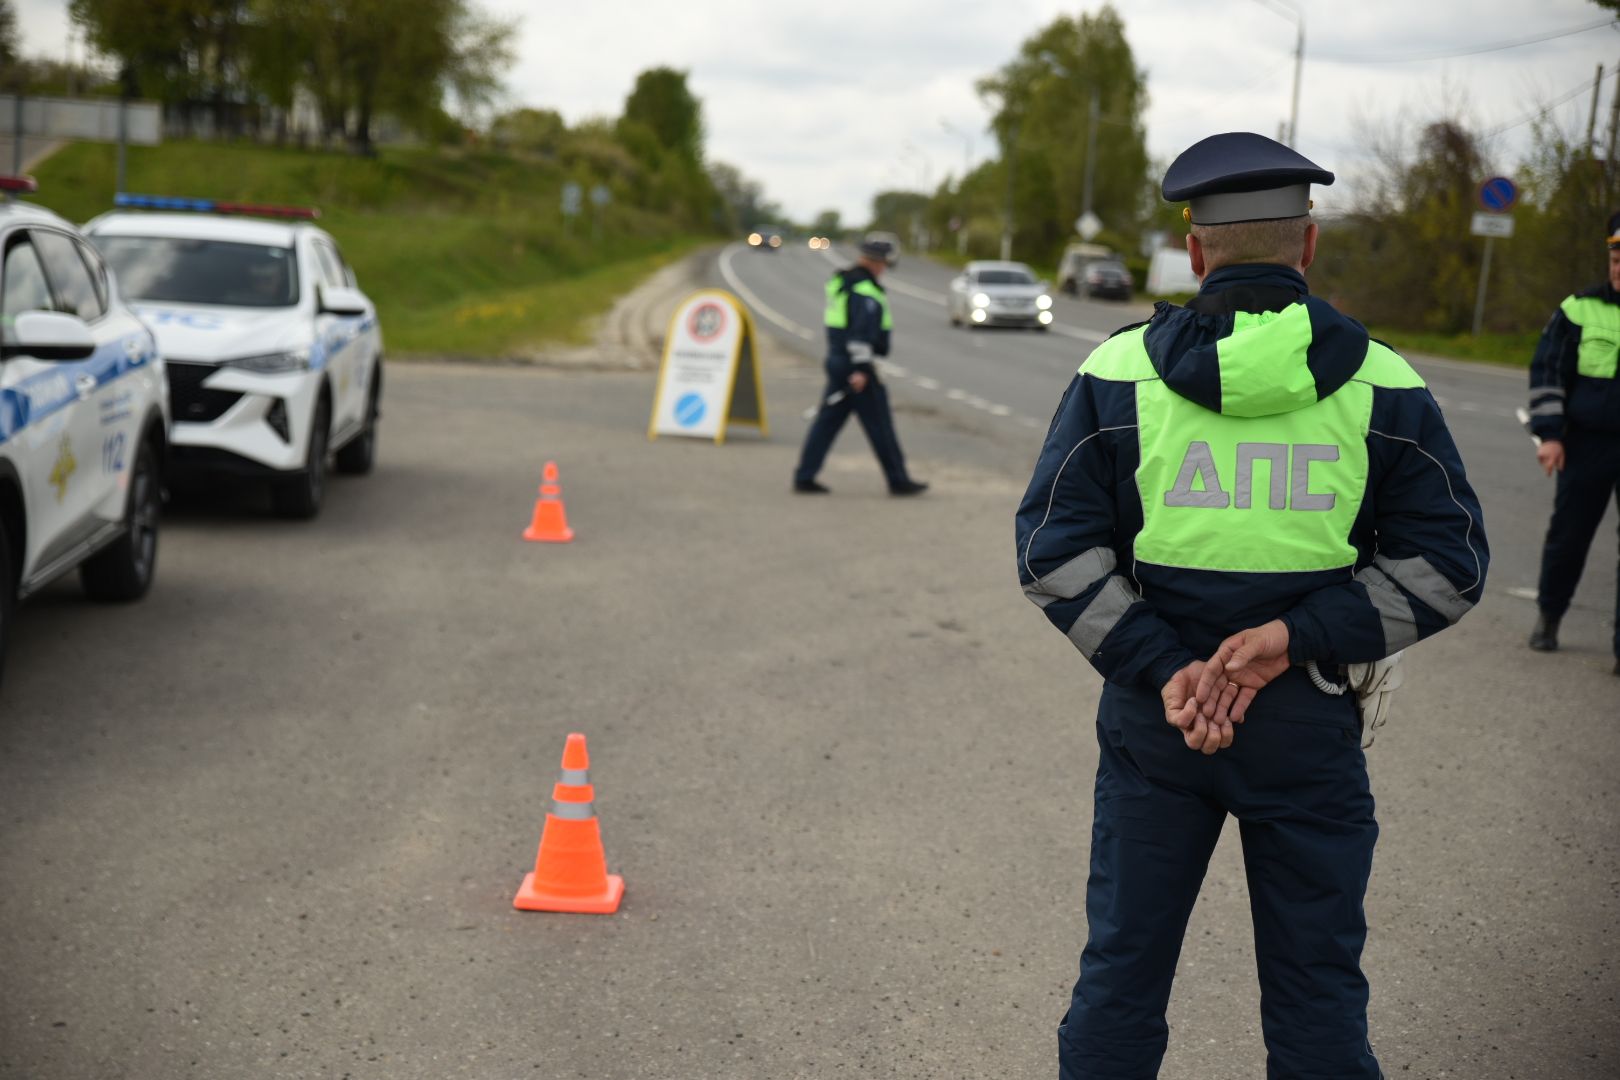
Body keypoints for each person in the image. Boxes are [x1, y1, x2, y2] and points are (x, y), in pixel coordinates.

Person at [1015, 131, 1489, 1079]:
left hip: (1160, 725)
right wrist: (1292, 638)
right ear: (1308, 245)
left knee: (1120, 981)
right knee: (1319, 998)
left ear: (1195, 252)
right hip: (1308, 723)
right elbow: (1452, 563)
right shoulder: (1384, 382)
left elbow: (1052, 553)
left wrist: (1167, 668)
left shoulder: (1119, 374)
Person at [1525, 214, 1620, 676]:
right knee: (1569, 537)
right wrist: (1550, 435)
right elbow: (1548, 371)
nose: (1619, 267)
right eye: (1616, 258)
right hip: (1586, 443)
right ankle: (1549, 616)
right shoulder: (1579, 308)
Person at [793, 238, 928, 495]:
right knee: (881, 426)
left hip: (838, 360)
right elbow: (859, 334)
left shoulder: (844, 281)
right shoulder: (864, 290)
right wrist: (862, 370)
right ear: (876, 262)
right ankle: (898, 480)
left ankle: (804, 475)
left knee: (827, 422)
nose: (884, 269)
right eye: (884, 264)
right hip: (856, 367)